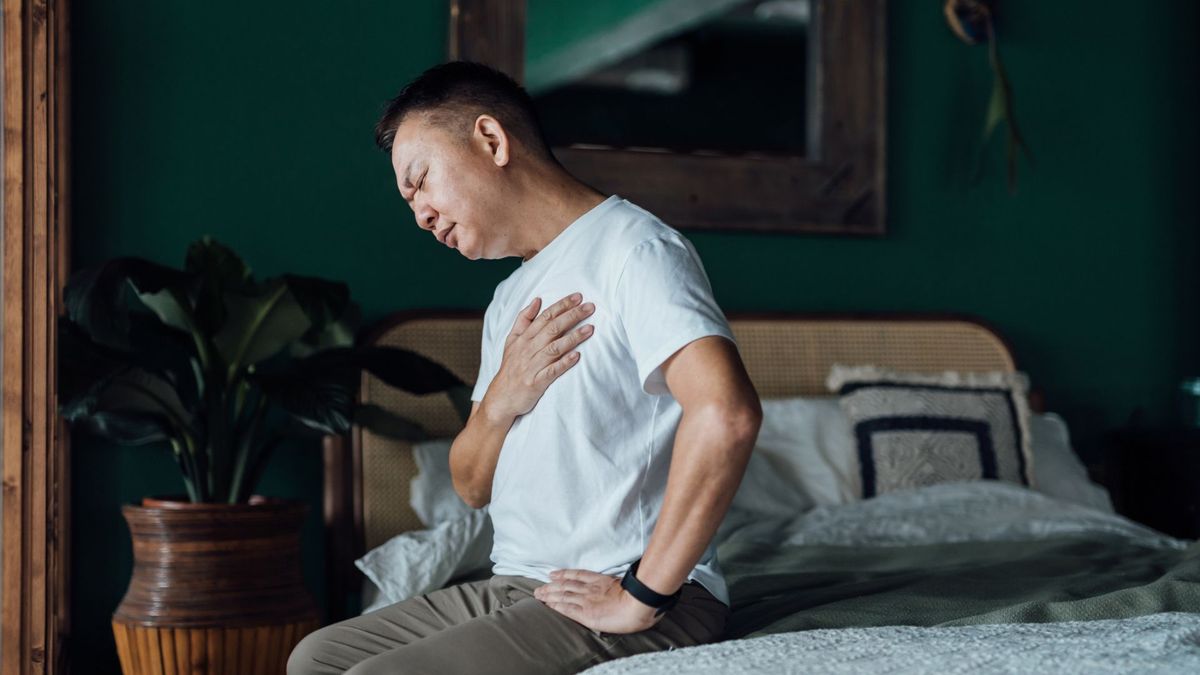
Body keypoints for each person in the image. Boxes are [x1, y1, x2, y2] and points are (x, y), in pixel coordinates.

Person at [289, 61, 762, 675]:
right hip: (521, 584)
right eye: (411, 201)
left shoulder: (636, 249)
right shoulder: (509, 299)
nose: (420, 216)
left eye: (421, 181)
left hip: (630, 588)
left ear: (491, 140)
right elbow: (471, 485)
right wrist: (502, 397)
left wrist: (643, 594)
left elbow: (726, 414)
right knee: (314, 660)